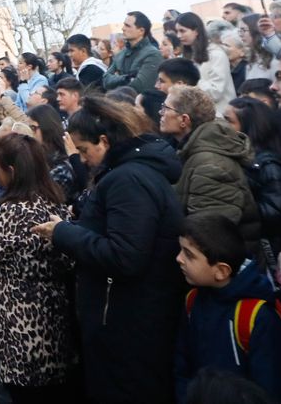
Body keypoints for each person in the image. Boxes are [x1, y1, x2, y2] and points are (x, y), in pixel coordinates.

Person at [34, 96, 185, 404]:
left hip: (129, 326)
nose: (82, 159)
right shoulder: (129, 174)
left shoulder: (128, 179)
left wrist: (62, 233)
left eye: (84, 150)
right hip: (127, 320)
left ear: (103, 141)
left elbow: (125, 255)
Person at [0, 133, 77, 404]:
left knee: (24, 394)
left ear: (11, 171)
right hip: (53, 316)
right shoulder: (54, 202)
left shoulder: (16, 210)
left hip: (19, 324)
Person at [174, 212, 281, 402]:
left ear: (221, 271)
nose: (178, 258)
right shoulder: (192, 300)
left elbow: (271, 388)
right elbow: (182, 365)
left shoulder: (255, 316)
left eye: (189, 255)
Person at [161, 85, 259, 240]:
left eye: (165, 108)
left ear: (184, 120)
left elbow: (210, 234)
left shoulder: (210, 165)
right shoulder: (192, 149)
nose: (161, 113)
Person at [225, 97, 281, 252]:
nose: (221, 126)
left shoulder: (268, 165)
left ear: (248, 127)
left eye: (228, 121)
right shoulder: (237, 157)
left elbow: (277, 212)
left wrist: (235, 205)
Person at [177, 12, 235, 113]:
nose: (178, 35)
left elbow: (216, 92)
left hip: (221, 115)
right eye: (177, 31)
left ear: (196, 31)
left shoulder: (216, 54)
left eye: (182, 31)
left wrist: (190, 80)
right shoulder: (188, 55)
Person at [108, 12, 164, 94]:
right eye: (124, 25)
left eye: (127, 26)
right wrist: (126, 78)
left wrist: (117, 78)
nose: (123, 28)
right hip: (120, 103)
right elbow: (105, 80)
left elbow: (140, 86)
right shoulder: (121, 54)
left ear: (141, 31)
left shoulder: (153, 54)